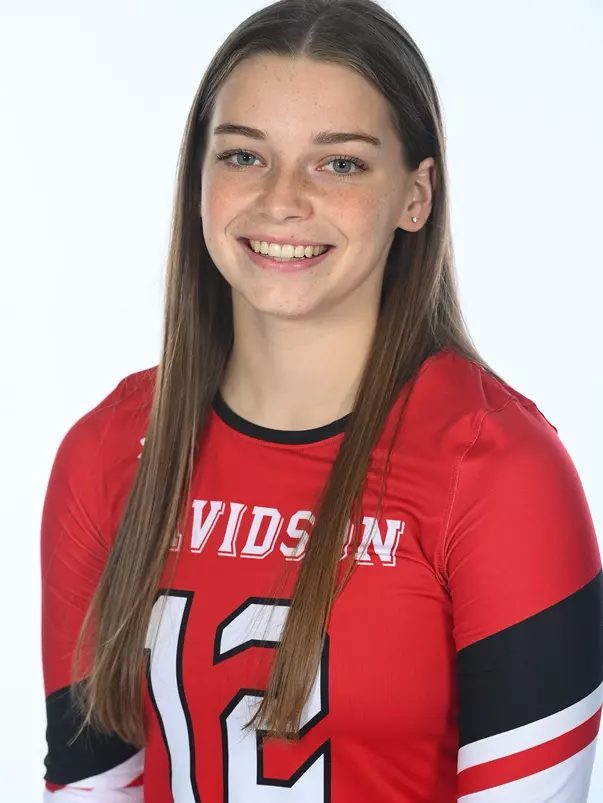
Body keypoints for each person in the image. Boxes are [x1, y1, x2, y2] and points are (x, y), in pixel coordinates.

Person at [40, 0, 603, 801]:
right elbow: (93, 786)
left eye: (338, 163)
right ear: (198, 179)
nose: (281, 199)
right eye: (243, 155)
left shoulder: (500, 470)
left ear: (416, 196)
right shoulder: (108, 449)